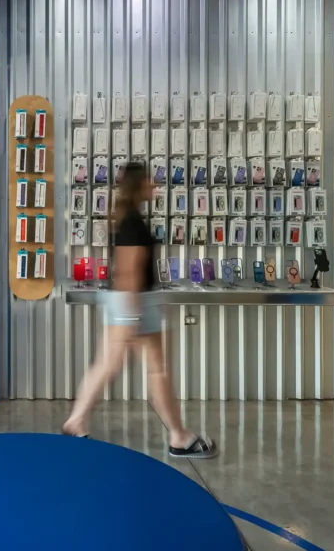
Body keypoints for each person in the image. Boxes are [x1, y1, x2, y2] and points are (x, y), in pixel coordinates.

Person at [63, 162, 217, 459]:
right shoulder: (132, 221)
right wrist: (132, 318)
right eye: (150, 180)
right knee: (156, 370)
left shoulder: (127, 218)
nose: (155, 185)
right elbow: (128, 272)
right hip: (134, 303)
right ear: (139, 184)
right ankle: (180, 437)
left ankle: (76, 421)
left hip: (127, 302)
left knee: (108, 365)